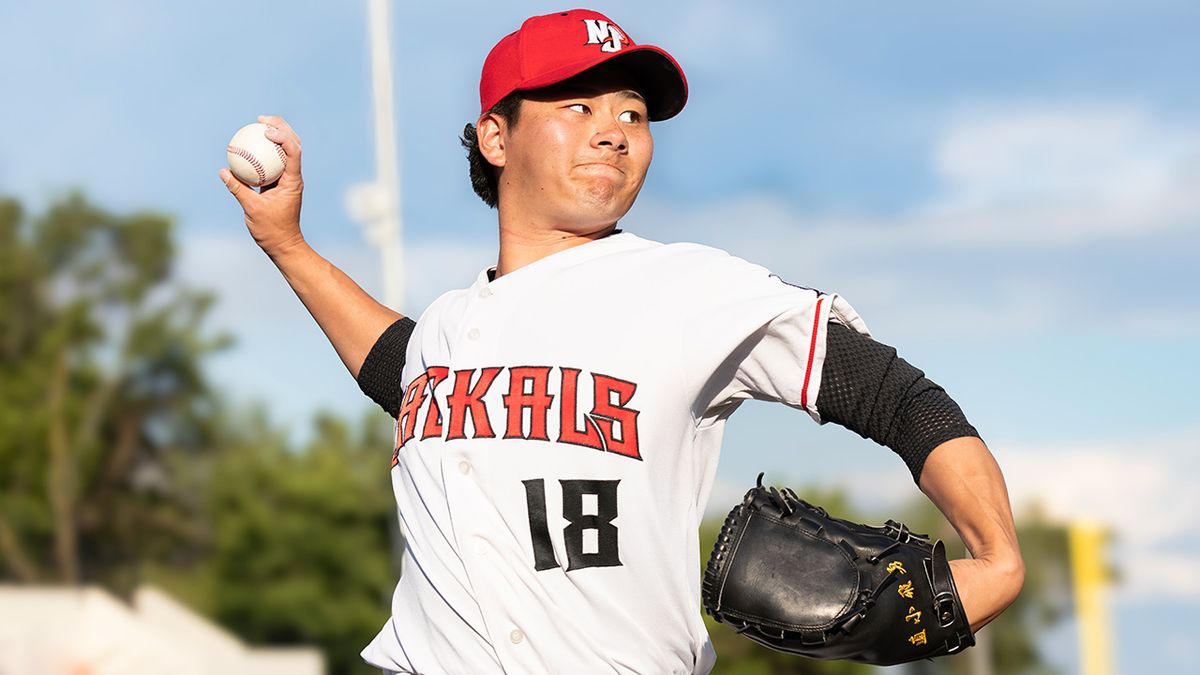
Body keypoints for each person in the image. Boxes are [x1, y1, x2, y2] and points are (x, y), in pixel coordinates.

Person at [219, 8, 1024, 675]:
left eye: (631, 114)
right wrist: (288, 244)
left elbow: (894, 394)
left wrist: (996, 558)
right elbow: (398, 366)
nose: (613, 131)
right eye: (578, 106)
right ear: (496, 138)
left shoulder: (693, 291)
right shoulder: (447, 327)